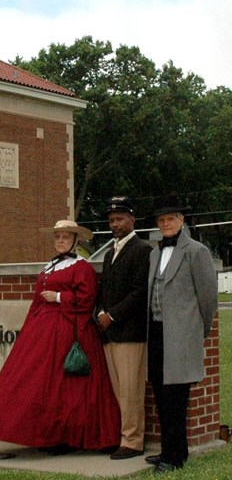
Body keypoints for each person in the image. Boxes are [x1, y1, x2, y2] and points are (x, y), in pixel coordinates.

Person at [0, 220, 120, 453]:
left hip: (69, 330)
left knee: (68, 388)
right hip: (42, 330)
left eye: (65, 237)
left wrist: (60, 297)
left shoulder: (81, 266)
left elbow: (87, 299)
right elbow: (37, 300)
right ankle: (46, 434)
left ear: (75, 241)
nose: (60, 241)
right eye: (57, 237)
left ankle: (68, 437)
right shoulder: (49, 267)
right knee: (37, 382)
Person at [146, 195, 218, 473]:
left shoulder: (196, 251)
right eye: (161, 220)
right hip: (157, 333)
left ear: (181, 221)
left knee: (177, 398)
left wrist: (200, 329)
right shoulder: (154, 253)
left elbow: (208, 297)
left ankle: (174, 458)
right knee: (161, 396)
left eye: (171, 219)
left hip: (182, 336)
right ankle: (169, 450)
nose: (166, 224)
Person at [96, 196, 152, 460]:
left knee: (131, 390)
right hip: (110, 334)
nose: (115, 224)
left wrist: (113, 316)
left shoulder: (143, 250)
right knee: (119, 390)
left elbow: (141, 291)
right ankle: (123, 436)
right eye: (111, 220)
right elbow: (104, 291)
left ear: (132, 220)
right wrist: (100, 313)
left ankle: (133, 441)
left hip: (130, 332)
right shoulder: (109, 253)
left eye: (119, 219)